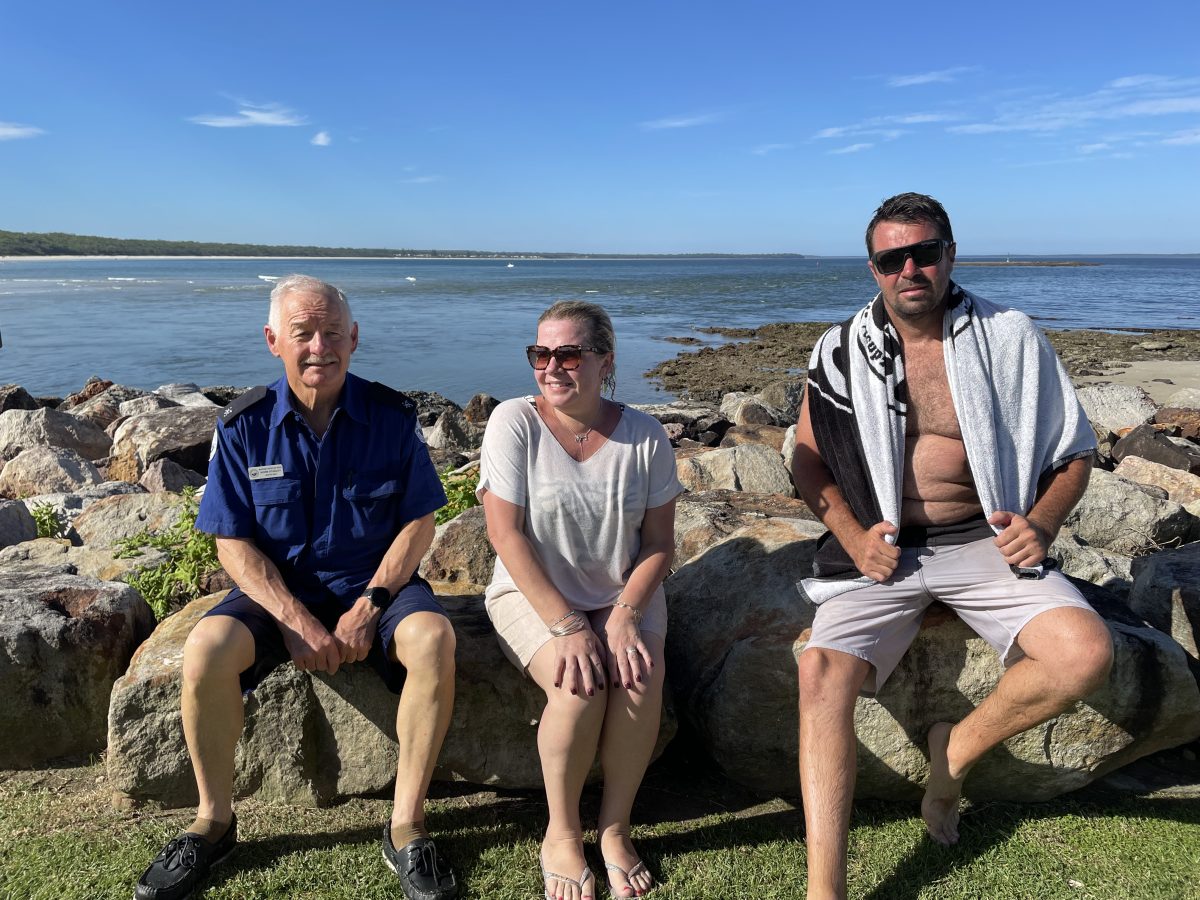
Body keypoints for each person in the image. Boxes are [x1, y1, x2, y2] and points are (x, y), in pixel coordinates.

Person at [792, 193, 1114, 899]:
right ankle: (826, 891)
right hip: (881, 546)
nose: (910, 269)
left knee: (1085, 653)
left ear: (949, 255)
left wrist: (1045, 523)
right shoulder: (840, 348)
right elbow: (806, 460)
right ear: (873, 268)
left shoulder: (1010, 338)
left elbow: (1076, 452)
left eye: (924, 253)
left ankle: (954, 756)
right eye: (891, 258)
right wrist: (852, 535)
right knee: (819, 673)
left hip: (985, 537)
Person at [134, 275, 459, 900]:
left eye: (333, 332)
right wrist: (294, 619)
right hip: (277, 592)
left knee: (433, 638)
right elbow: (232, 542)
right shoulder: (243, 426)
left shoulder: (391, 419)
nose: (319, 347)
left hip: (373, 586)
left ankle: (407, 826)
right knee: (205, 650)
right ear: (273, 340)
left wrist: (370, 604)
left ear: (354, 338)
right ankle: (213, 821)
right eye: (303, 333)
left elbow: (420, 521)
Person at [478, 301, 683, 900]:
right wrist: (568, 626)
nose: (552, 367)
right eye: (541, 354)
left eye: (569, 354)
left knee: (640, 680)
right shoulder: (513, 422)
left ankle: (615, 829)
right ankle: (562, 834)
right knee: (579, 686)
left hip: (624, 592)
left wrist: (626, 613)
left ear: (605, 360)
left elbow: (659, 545)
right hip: (531, 593)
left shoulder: (645, 436)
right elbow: (504, 535)